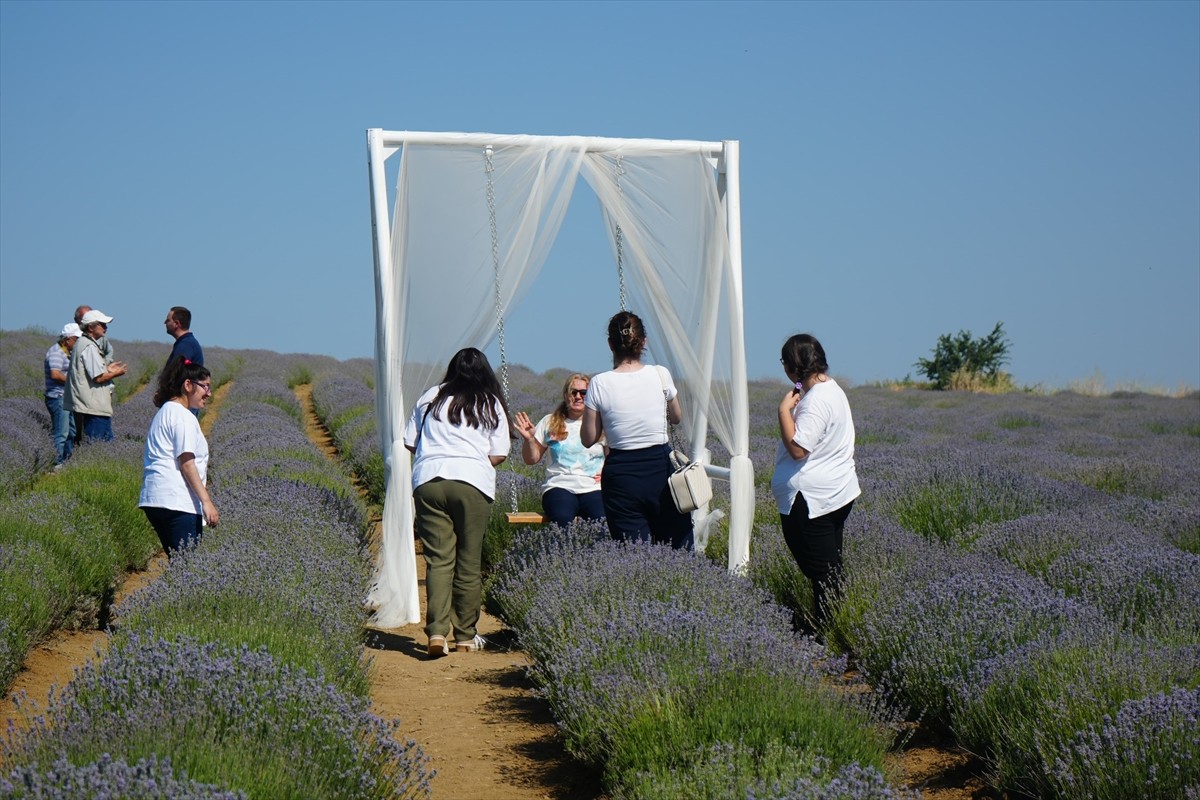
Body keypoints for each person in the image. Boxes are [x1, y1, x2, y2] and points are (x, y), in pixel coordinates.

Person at [404, 347, 510, 658]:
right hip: (472, 483)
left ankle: (437, 633)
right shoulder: (490, 402)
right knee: (468, 561)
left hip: (429, 481)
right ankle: (465, 636)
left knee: (439, 561)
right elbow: (499, 452)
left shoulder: (430, 397)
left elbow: (411, 442)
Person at [581, 311, 693, 549]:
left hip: (622, 475)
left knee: (633, 554)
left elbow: (588, 438)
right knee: (678, 548)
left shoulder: (600, 383)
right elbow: (676, 417)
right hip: (660, 470)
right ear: (643, 342)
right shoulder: (660, 374)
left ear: (611, 345)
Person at [771, 333, 860, 631]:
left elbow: (798, 449)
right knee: (829, 569)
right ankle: (831, 629)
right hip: (835, 492)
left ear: (793, 367)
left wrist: (784, 411)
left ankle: (829, 635)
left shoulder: (816, 401)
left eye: (785, 364)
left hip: (812, 500)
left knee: (822, 571)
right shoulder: (831, 390)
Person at [138, 357, 219, 556]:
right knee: (187, 568)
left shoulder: (165, 411)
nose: (209, 393)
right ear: (188, 385)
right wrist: (206, 502)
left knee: (179, 563)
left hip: (155, 499)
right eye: (205, 387)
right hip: (177, 501)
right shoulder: (183, 417)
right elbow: (187, 463)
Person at [513, 373, 605, 527]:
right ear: (565, 395)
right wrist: (529, 440)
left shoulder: (601, 424)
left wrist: (607, 475)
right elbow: (531, 459)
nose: (578, 396)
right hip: (559, 486)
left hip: (593, 487)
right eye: (573, 392)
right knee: (562, 518)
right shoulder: (550, 421)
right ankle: (563, 551)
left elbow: (613, 457)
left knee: (602, 520)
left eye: (584, 393)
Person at [64, 309, 128, 443]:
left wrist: (107, 368)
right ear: (91, 327)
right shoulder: (89, 347)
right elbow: (98, 378)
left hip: (93, 406)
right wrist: (117, 373)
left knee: (101, 445)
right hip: (94, 407)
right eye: (102, 324)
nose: (106, 328)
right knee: (97, 444)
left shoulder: (84, 343)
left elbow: (90, 371)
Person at [44, 322, 81, 468]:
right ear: (67, 339)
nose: (78, 342)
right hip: (57, 397)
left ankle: (67, 460)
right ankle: (57, 464)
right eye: (76, 339)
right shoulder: (56, 352)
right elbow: (55, 374)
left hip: (65, 397)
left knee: (71, 431)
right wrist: (73, 381)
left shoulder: (67, 352)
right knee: (61, 432)